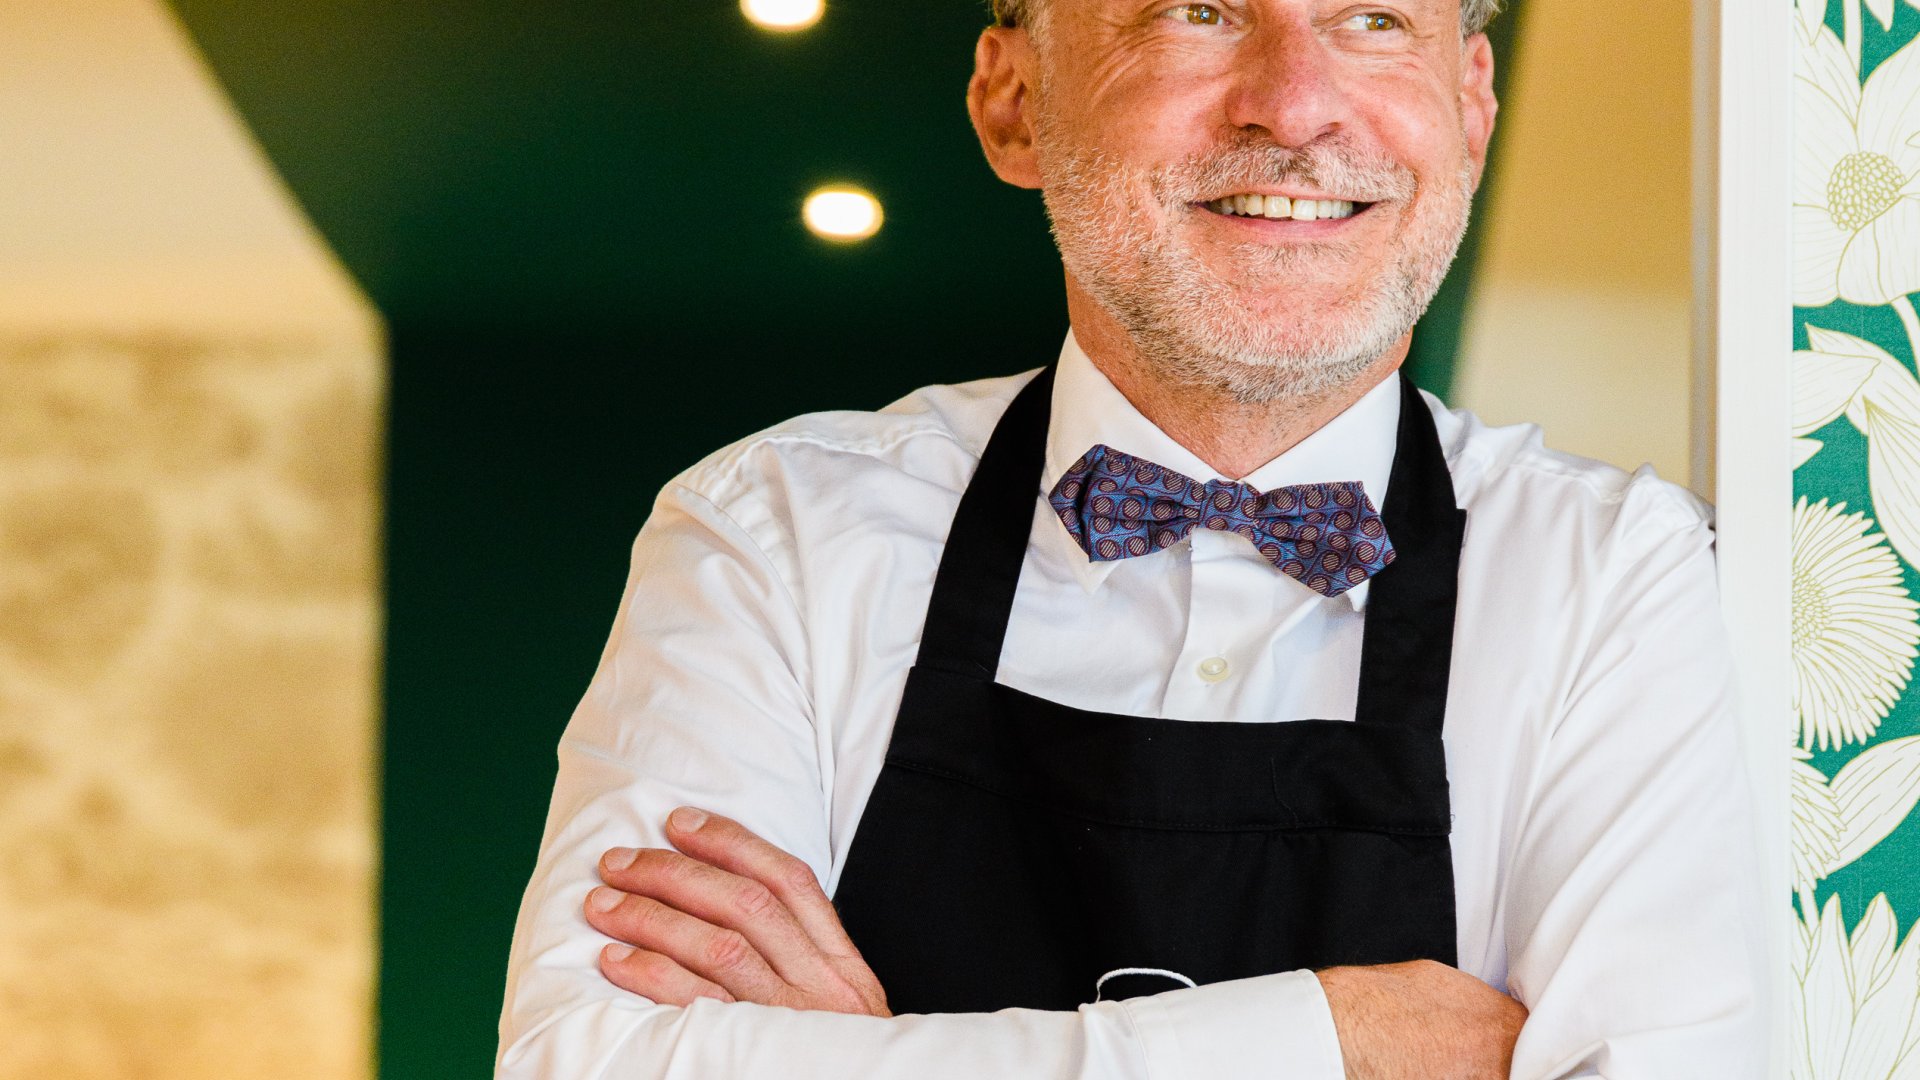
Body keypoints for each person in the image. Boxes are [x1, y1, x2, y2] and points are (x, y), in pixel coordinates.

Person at [497, 0, 1769, 1076]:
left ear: (1476, 106)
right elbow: (592, 1054)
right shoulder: (773, 534)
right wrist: (1336, 1038)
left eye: (1375, 17)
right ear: (1011, 101)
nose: (1296, 104)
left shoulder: (1621, 579)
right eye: (1195, 8)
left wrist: (885, 1051)